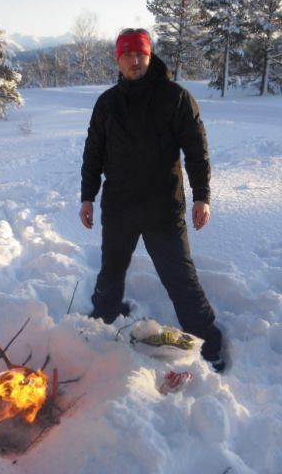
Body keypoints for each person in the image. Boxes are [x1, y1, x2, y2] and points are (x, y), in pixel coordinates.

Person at [79, 28, 225, 373]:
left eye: (139, 54)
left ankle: (206, 338)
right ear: (118, 59)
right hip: (119, 205)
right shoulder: (108, 103)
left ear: (149, 56)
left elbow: (197, 154)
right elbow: (93, 153)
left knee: (179, 275)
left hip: (163, 206)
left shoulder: (175, 97)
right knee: (111, 270)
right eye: (127, 54)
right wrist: (87, 196)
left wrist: (202, 196)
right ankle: (104, 317)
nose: (134, 60)